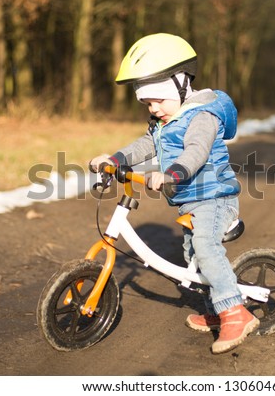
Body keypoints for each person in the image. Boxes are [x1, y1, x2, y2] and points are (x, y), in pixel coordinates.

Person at [89, 33, 259, 354]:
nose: (153, 108)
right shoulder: (163, 120)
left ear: (181, 85)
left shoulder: (202, 117)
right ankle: (216, 309)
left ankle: (235, 312)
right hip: (190, 201)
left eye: (158, 100)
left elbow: (195, 153)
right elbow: (146, 144)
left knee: (205, 248)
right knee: (192, 257)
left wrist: (170, 174)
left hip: (214, 196)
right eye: (147, 103)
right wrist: (115, 160)